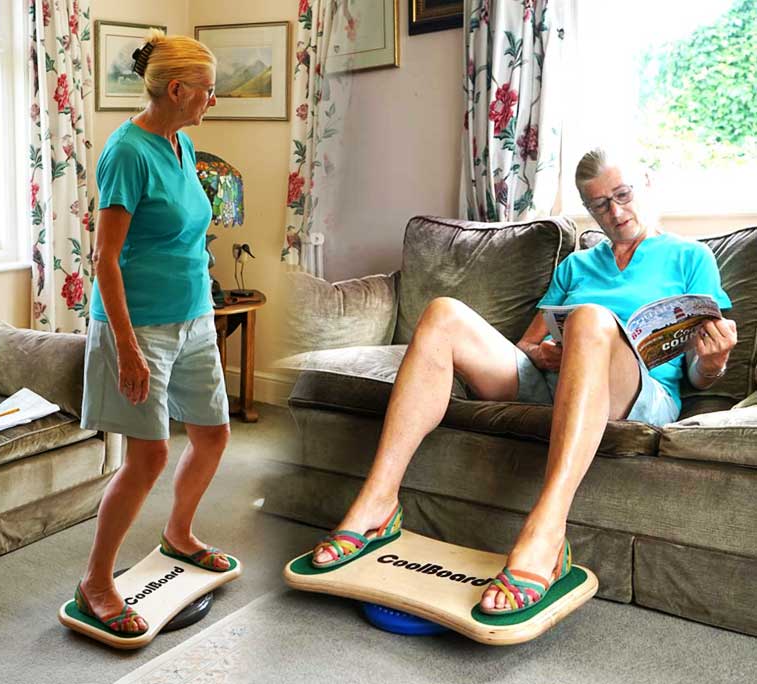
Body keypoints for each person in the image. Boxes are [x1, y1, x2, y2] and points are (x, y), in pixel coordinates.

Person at [310, 147, 737, 615]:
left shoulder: (690, 258)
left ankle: (548, 532)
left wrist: (712, 363)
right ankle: (378, 500)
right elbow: (526, 348)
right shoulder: (575, 265)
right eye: (599, 205)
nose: (614, 212)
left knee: (591, 320)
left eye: (623, 195)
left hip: (638, 393)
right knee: (442, 314)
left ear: (646, 185)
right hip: (556, 382)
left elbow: (699, 375)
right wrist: (546, 351)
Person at [74, 30, 232, 636]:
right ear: (177, 89)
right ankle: (95, 582)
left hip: (193, 317)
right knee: (149, 456)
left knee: (213, 435)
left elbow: (185, 233)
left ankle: (179, 533)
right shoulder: (127, 153)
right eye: (207, 91)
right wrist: (128, 350)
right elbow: (105, 260)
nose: (211, 101)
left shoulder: (179, 143)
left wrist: (206, 311)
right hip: (138, 326)